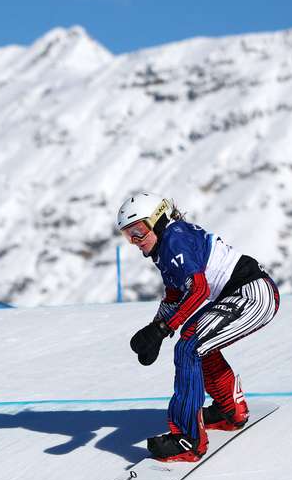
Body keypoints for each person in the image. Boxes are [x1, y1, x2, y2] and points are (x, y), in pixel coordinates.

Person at [117, 192, 280, 462]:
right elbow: (174, 295)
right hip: (245, 292)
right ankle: (230, 410)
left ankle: (188, 439)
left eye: (139, 231)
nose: (134, 241)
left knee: (189, 346)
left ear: (157, 222)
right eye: (128, 234)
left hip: (252, 294)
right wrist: (155, 330)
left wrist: (159, 330)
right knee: (196, 341)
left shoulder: (173, 239)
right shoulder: (167, 245)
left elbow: (199, 289)